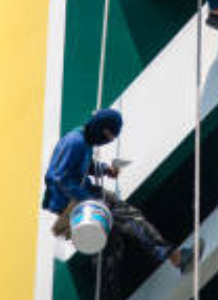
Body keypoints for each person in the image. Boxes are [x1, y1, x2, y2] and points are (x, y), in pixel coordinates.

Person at [42, 109, 200, 296]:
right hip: (76, 202)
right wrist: (87, 200)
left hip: (81, 197)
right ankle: (176, 257)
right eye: (107, 137)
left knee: (109, 248)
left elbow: (80, 166)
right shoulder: (74, 141)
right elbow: (56, 177)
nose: (108, 141)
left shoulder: (85, 140)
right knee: (131, 218)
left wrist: (104, 169)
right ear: (100, 128)